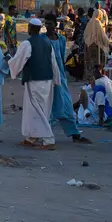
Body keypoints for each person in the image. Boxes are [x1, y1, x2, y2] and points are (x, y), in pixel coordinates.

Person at [8, 18, 60, 149]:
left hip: (35, 81)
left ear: (30, 28)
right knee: (39, 110)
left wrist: (10, 63)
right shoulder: (47, 42)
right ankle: (32, 137)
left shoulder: (27, 43)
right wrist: (56, 80)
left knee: (37, 110)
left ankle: (49, 140)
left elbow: (18, 60)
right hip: (47, 81)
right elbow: (54, 63)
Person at [43, 14, 85, 143]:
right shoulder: (42, 39)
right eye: (46, 23)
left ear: (55, 25)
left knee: (66, 103)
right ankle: (44, 134)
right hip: (47, 76)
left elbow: (61, 57)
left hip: (60, 75)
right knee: (47, 106)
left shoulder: (61, 39)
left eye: (50, 23)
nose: (47, 26)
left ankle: (74, 132)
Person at [82, 8, 109, 81]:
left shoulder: (90, 22)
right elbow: (102, 35)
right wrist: (107, 42)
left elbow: (85, 34)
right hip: (95, 46)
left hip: (88, 45)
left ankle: (89, 76)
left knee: (89, 61)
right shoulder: (97, 22)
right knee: (96, 62)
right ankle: (96, 77)